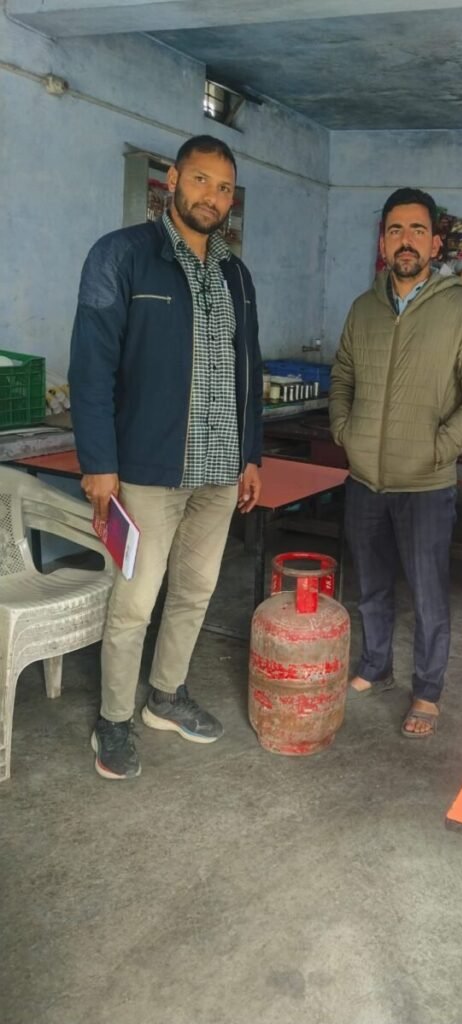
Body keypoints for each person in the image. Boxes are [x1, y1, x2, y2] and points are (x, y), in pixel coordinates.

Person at [69, 135, 263, 780]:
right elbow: (91, 366)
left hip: (219, 469)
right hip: (147, 470)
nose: (213, 197)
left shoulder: (236, 275)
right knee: (134, 603)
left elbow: (247, 369)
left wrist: (252, 455)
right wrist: (99, 463)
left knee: (195, 591)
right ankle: (114, 719)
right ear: (173, 180)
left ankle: (166, 696)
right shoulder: (122, 255)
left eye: (225, 188)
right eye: (202, 180)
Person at [329, 187, 462, 737]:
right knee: (371, 587)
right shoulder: (364, 308)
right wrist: (344, 432)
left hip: (425, 485)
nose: (407, 241)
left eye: (418, 230)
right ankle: (376, 666)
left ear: (435, 243)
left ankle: (427, 691)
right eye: (396, 230)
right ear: (383, 242)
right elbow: (343, 377)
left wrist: (440, 447)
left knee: (428, 597)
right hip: (365, 479)